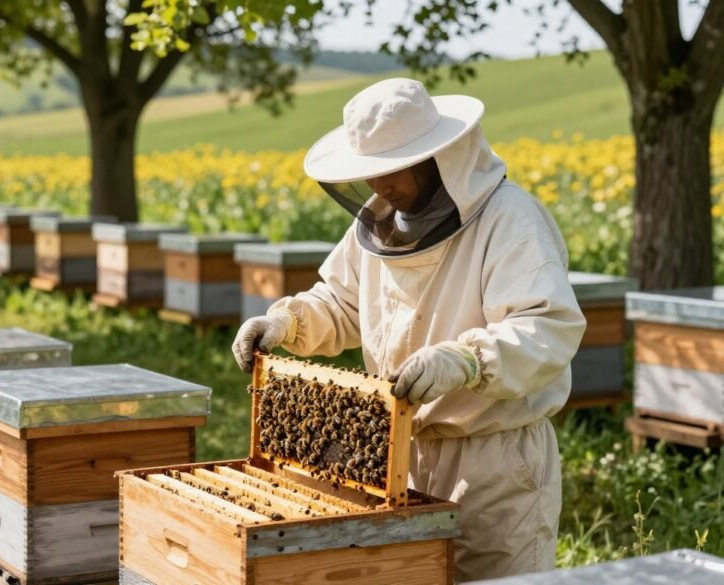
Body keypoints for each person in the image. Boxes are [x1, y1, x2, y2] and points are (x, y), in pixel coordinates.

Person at [232, 78, 585, 582]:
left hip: (492, 458)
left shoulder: (509, 220)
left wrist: (466, 361)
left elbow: (547, 327)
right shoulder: (381, 226)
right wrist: (286, 321)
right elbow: (342, 302)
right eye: (370, 173)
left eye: (392, 170)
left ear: (437, 157)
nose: (380, 187)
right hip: (398, 449)